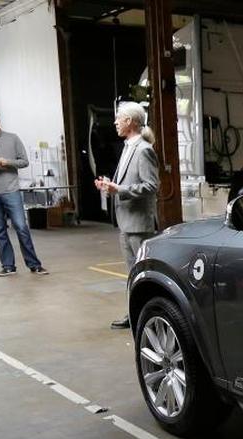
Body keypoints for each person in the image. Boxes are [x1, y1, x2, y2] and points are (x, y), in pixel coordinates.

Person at [95, 102, 158, 329]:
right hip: (126, 222)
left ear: (130, 121)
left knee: (143, 274)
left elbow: (151, 186)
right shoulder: (128, 147)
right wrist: (109, 185)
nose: (115, 123)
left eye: (118, 119)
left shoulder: (144, 150)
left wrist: (118, 190)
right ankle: (135, 314)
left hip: (139, 224)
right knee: (132, 273)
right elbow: (126, 182)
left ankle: (146, 314)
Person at [0, 111, 49, 276]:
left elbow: (24, 161)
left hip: (11, 190)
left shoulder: (13, 138)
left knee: (21, 226)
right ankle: (8, 266)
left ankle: (34, 264)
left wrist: (8, 162)